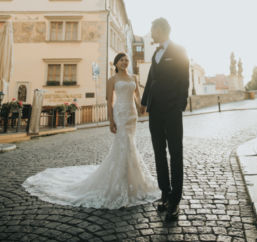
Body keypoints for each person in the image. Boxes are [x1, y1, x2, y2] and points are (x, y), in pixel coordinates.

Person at [22, 53, 160, 209]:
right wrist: (111, 120)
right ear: (116, 63)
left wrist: (141, 106)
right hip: (120, 113)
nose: (125, 62)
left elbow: (137, 95)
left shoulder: (134, 78)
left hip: (131, 114)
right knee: (124, 144)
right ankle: (121, 181)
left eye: (126, 60)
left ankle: (132, 179)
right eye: (121, 60)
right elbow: (110, 101)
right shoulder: (112, 80)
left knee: (131, 144)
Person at [140, 18, 189, 221]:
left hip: (172, 109)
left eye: (153, 31)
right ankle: (165, 193)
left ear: (161, 30)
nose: (151, 35)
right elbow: (151, 79)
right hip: (155, 111)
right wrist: (144, 103)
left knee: (175, 153)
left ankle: (175, 200)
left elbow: (184, 80)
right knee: (159, 152)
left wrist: (180, 105)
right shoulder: (156, 53)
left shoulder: (179, 50)